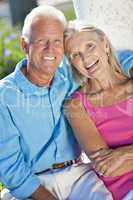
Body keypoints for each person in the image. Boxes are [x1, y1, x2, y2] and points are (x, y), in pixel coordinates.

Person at [0, 5, 114, 200]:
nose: (50, 50)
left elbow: (111, 60)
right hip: (32, 184)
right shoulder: (4, 96)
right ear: (25, 45)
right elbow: (10, 166)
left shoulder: (71, 75)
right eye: (42, 41)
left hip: (79, 175)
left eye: (57, 41)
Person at [64, 23, 133, 200]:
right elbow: (108, 168)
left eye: (90, 46)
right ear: (71, 63)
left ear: (105, 45)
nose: (85, 57)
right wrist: (118, 160)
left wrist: (123, 154)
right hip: (126, 189)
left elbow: (117, 162)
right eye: (75, 55)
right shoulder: (75, 105)